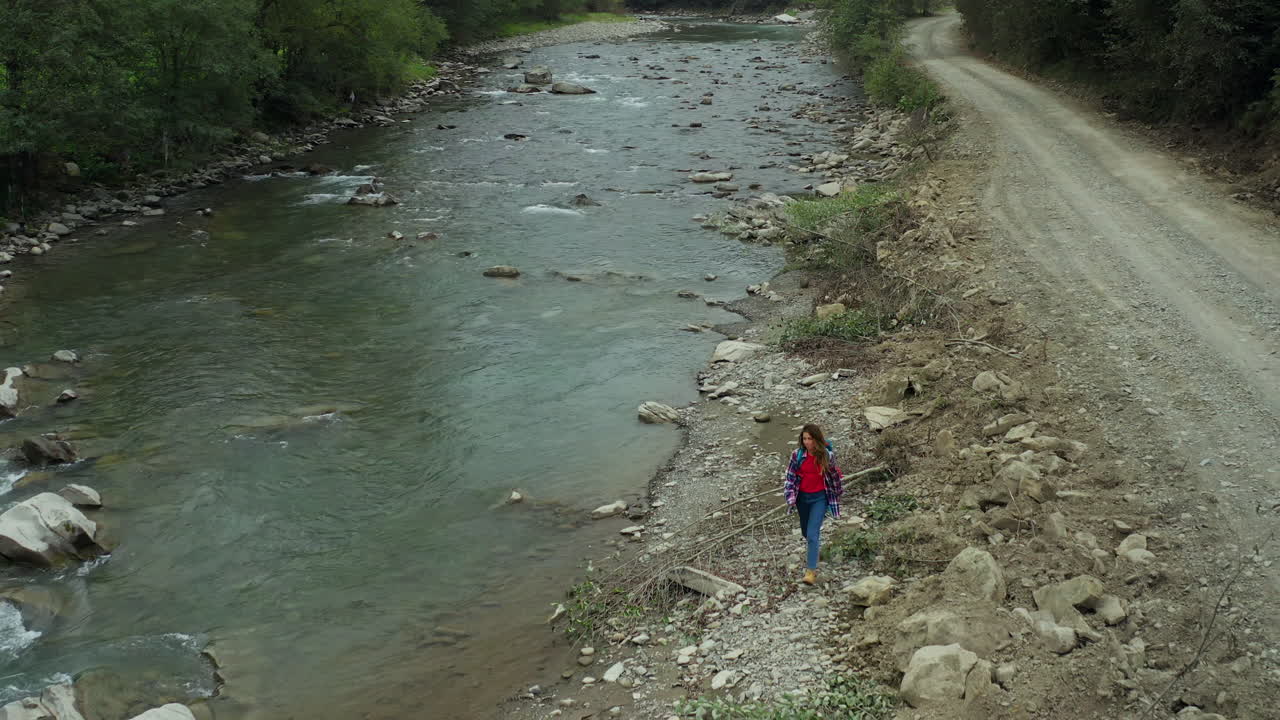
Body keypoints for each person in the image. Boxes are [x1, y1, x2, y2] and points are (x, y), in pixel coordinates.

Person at [782, 423, 845, 585]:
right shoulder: (797, 456)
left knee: (812, 534)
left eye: (810, 439)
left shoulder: (827, 456)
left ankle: (810, 571)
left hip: (820, 498)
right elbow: (790, 477)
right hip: (802, 499)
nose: (807, 442)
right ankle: (815, 548)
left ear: (817, 439)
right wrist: (790, 497)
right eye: (804, 439)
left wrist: (837, 493)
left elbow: (833, 476)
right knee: (806, 533)